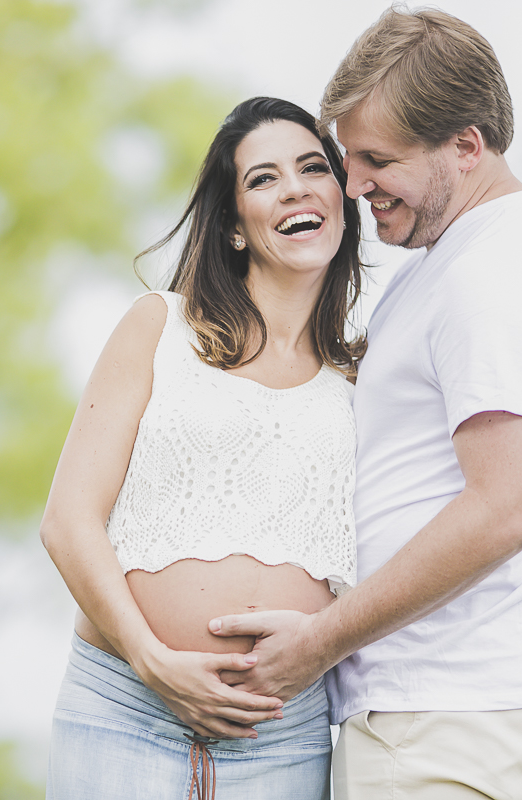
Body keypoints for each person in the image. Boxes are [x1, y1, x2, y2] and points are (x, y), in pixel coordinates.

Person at [208, 9, 522, 800]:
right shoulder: (453, 260)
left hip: (458, 713)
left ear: (467, 145)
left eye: (377, 160)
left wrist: (318, 643)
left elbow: (507, 507)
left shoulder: (491, 277)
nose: (352, 185)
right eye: (348, 155)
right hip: (451, 708)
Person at [40, 96, 365, 800]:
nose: (295, 188)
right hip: (123, 711)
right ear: (234, 227)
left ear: (342, 200)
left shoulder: (368, 377)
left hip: (281, 732)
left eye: (314, 168)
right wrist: (153, 661)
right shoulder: (161, 327)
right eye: (263, 179)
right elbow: (67, 520)